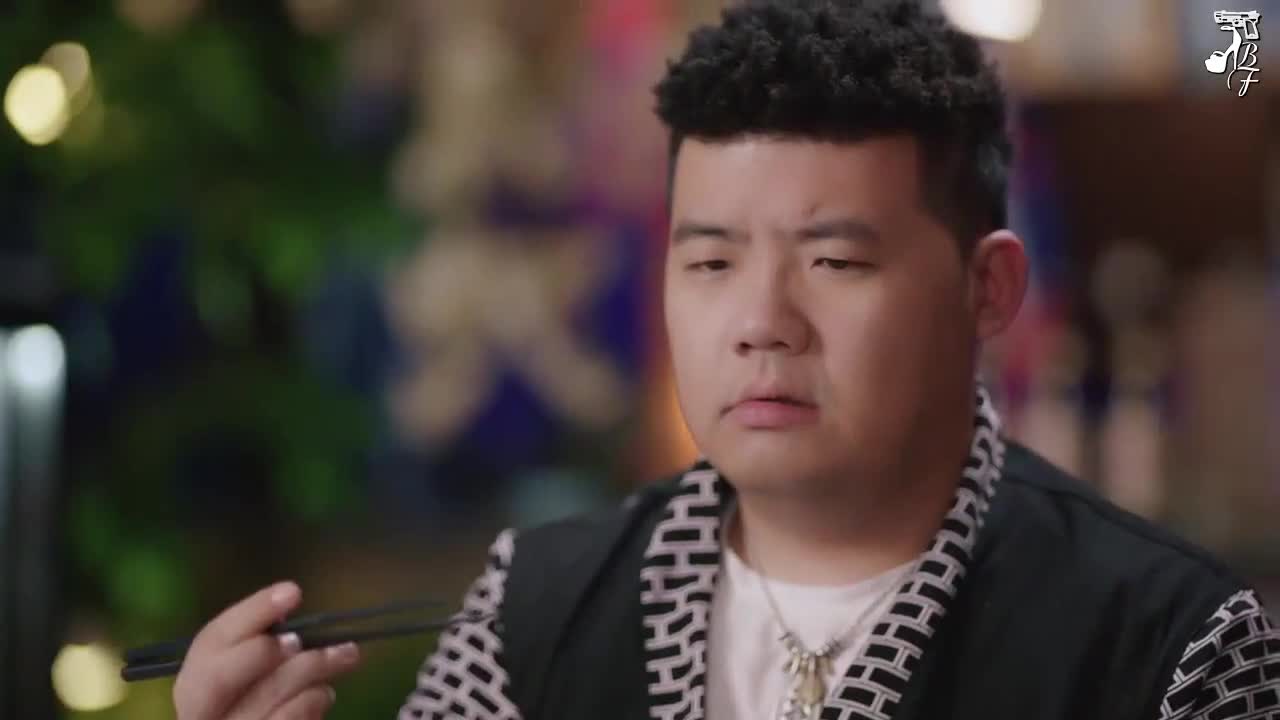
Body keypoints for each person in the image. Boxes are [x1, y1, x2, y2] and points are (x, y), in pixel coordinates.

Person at [171, 2, 1280, 719]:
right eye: (708, 262)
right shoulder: (534, 610)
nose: (761, 322)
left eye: (835, 261)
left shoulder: (1172, 646)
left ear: (985, 288)